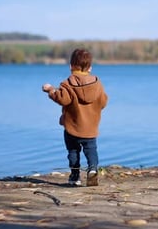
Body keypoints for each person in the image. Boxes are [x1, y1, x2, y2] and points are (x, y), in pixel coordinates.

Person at [42, 48, 108, 186]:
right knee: (91, 151)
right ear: (90, 68)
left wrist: (50, 90)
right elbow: (103, 102)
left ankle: (75, 177)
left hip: (72, 127)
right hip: (90, 128)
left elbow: (62, 99)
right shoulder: (97, 84)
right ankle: (92, 169)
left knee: (73, 151)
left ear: (71, 66)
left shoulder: (67, 84)